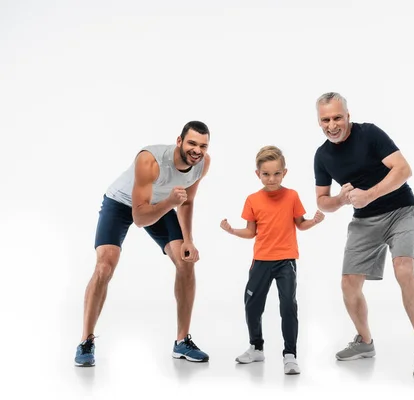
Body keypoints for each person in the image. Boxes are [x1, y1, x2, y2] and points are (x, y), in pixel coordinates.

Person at [312, 92, 414, 376]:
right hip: (364, 220)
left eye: (337, 117)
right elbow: (322, 201)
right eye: (325, 119)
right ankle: (365, 342)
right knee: (348, 284)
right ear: (319, 121)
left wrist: (369, 194)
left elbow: (404, 169)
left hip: (400, 210)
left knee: (404, 270)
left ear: (348, 115)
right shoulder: (322, 156)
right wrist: (341, 201)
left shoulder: (370, 134)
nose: (332, 125)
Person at [74, 121, 212, 367]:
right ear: (179, 141)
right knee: (105, 266)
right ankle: (86, 341)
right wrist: (170, 201)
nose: (197, 150)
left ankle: (181, 342)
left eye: (203, 145)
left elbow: (187, 201)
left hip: (160, 203)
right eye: (192, 143)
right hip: (122, 203)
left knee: (185, 262)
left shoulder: (202, 163)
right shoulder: (150, 160)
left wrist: (189, 240)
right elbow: (139, 218)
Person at [220, 145, 324, 375]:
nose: (271, 178)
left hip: (286, 261)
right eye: (266, 174)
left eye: (277, 173)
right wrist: (232, 231)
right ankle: (256, 347)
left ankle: (290, 355)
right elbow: (251, 232)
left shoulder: (292, 196)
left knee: (288, 305)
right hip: (261, 261)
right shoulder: (252, 200)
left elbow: (301, 224)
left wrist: (315, 221)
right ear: (258, 174)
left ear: (284, 172)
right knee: (252, 306)